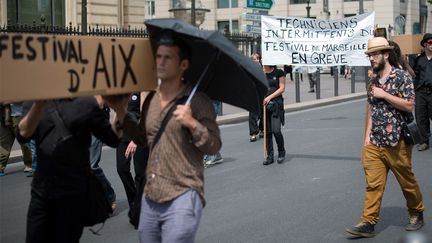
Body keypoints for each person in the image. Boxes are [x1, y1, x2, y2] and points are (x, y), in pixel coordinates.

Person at [105, 32, 222, 242]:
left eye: (167, 58)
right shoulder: (151, 99)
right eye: (158, 57)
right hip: (151, 196)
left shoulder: (198, 101)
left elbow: (213, 145)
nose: (160, 62)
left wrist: (193, 123)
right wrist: (120, 112)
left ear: (183, 64)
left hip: (183, 195)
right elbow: (143, 138)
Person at [346, 37, 425, 238]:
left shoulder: (402, 77)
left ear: (386, 55)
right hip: (374, 142)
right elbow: (372, 110)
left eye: (374, 54)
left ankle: (416, 212)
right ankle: (368, 222)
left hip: (397, 141)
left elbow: (409, 105)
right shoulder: (372, 80)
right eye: (369, 55)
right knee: (373, 184)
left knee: (406, 182)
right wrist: (366, 139)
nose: (371, 58)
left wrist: (384, 95)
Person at [17, 97, 121, 243]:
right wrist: (38, 106)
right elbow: (22, 135)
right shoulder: (33, 101)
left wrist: (121, 110)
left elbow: (113, 139)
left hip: (73, 194)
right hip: (41, 193)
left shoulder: (85, 102)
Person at [116, 92, 149, 212]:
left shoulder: (142, 89)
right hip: (123, 134)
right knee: (122, 169)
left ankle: (141, 206)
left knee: (140, 174)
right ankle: (135, 201)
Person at [262, 65, 286, 165]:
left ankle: (281, 152)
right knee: (267, 132)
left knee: (276, 130)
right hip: (264, 105)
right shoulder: (260, 73)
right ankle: (270, 155)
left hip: (276, 104)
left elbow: (282, 88)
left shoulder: (279, 72)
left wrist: (270, 97)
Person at [0, 103, 32, 176]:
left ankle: (29, 164)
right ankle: (1, 167)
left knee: (24, 142)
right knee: (4, 143)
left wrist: (10, 100)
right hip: (4, 116)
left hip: (18, 115)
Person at [413, 33, 432, 151]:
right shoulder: (419, 60)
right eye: (430, 42)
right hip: (421, 92)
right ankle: (424, 141)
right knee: (421, 118)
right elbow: (414, 75)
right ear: (425, 44)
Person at [249, 53, 264, 142]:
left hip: (262, 94)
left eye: (257, 59)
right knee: (252, 114)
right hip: (253, 94)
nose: (256, 60)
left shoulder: (264, 69)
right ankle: (253, 133)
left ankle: (262, 129)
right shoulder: (249, 69)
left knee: (262, 113)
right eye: (254, 59)